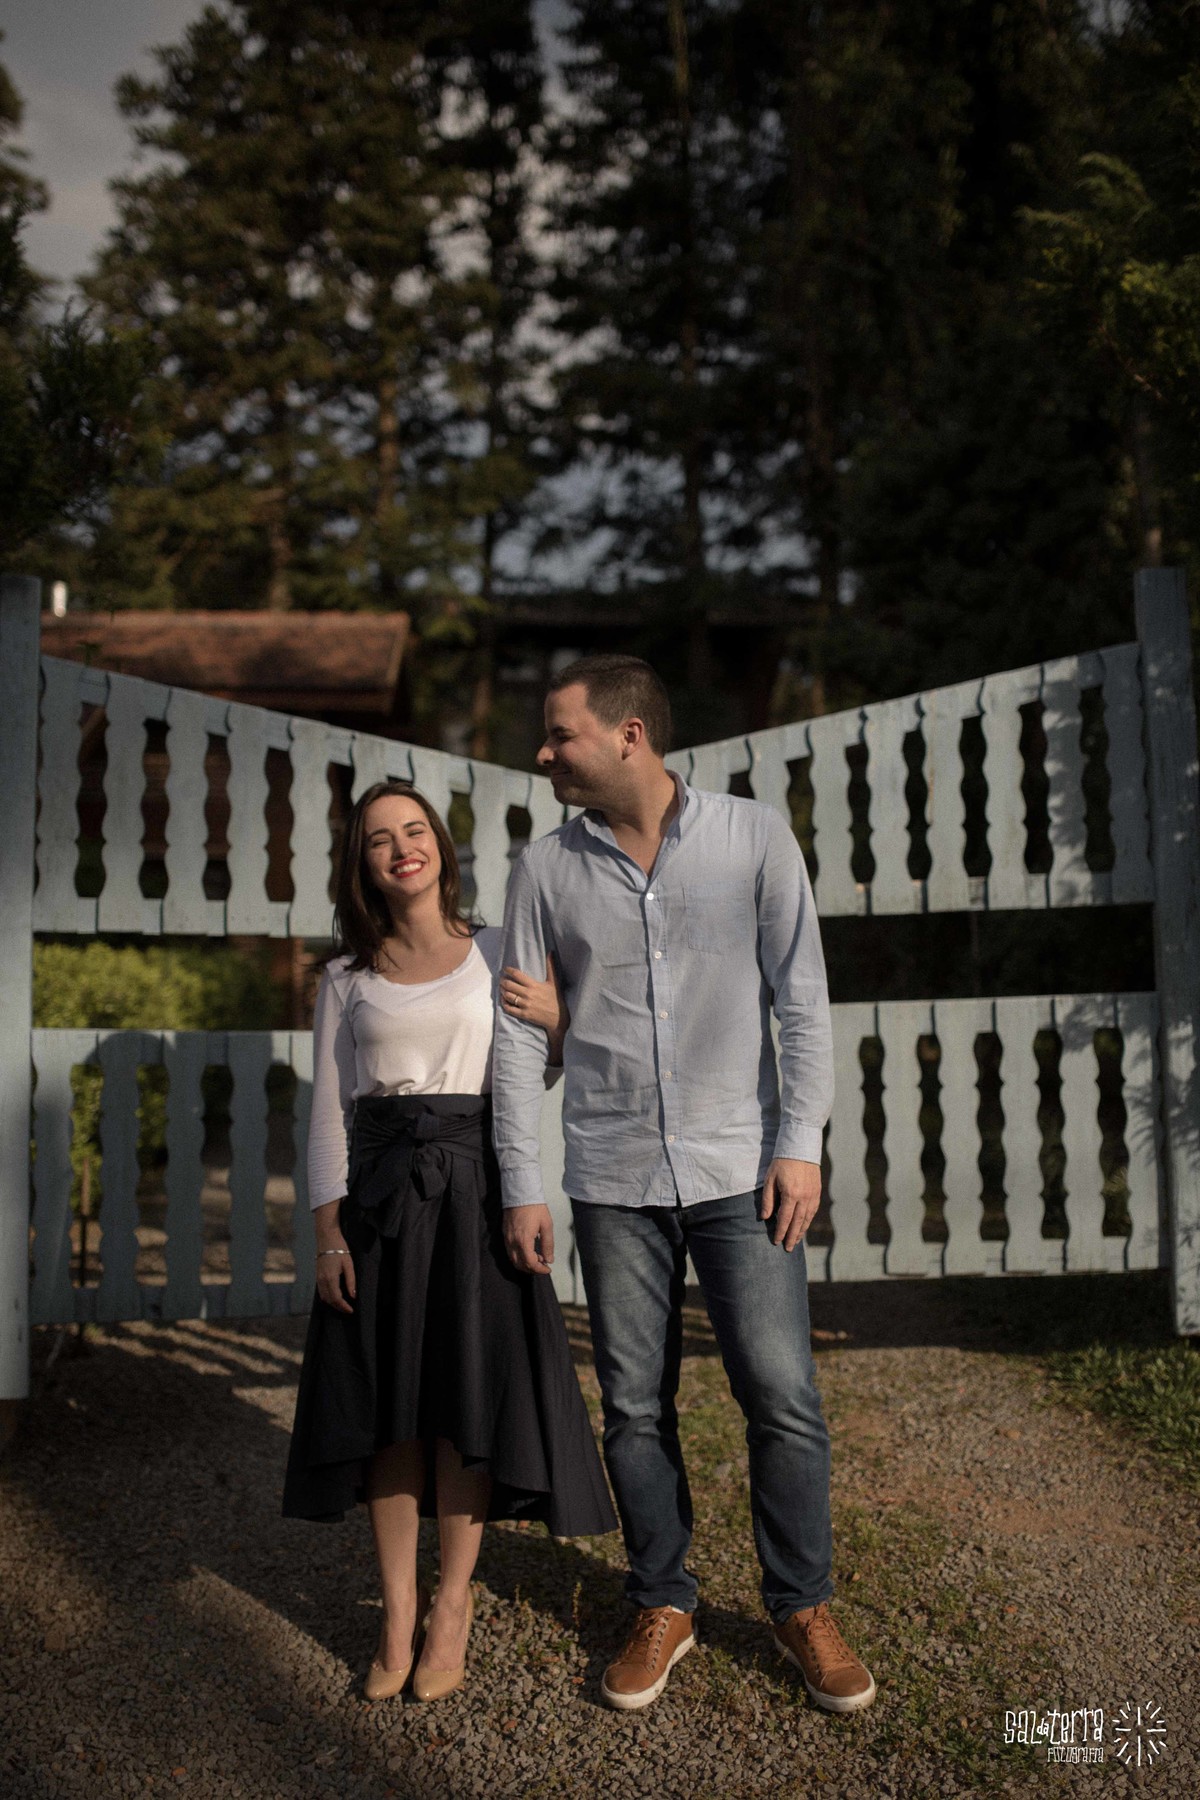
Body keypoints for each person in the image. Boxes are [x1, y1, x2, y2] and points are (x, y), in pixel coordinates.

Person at [492, 655, 876, 1716]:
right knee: (632, 1407)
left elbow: (803, 998)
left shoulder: (753, 839)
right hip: (612, 1176)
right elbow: (520, 1041)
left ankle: (801, 1604)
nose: (542, 750)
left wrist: (800, 1142)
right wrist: (523, 1180)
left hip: (742, 1166)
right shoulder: (543, 871)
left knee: (782, 1396)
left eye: (558, 732)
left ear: (627, 736)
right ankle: (663, 1598)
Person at [282, 779, 615, 1704]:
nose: (401, 849)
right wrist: (328, 1237)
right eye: (381, 838)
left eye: (415, 831)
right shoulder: (346, 979)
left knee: (462, 1408)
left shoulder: (500, 949)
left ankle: (453, 1604)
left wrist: (557, 1028)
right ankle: (395, 1611)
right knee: (390, 1415)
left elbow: (538, 1070)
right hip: (381, 1208)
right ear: (364, 864)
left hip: (477, 1198)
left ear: (440, 846)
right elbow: (326, 1114)